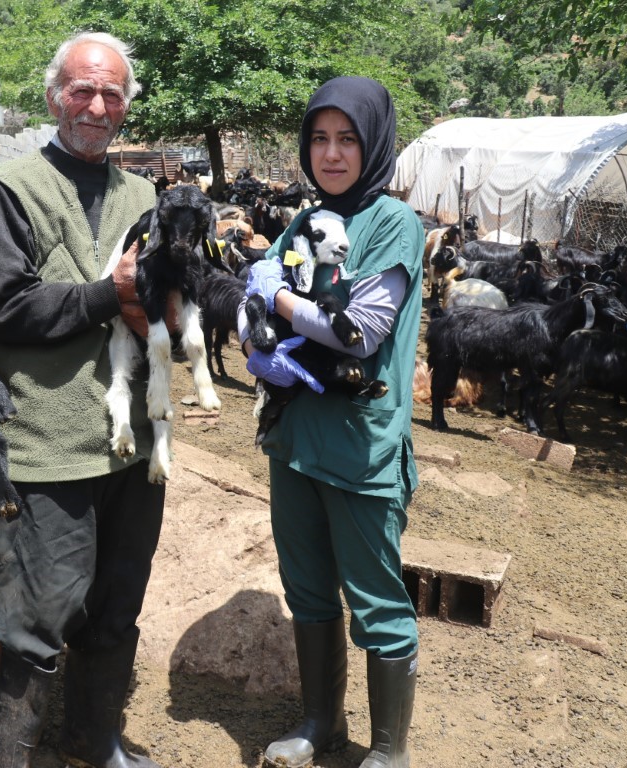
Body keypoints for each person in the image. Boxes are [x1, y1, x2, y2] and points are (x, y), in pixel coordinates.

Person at [0, 31, 166, 768]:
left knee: (117, 603)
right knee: (36, 609)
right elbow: (10, 305)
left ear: (125, 107)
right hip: (46, 439)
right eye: (82, 89)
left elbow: (161, 297)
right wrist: (107, 294)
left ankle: (96, 739)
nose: (96, 104)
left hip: (130, 438)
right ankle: (11, 754)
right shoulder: (12, 187)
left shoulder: (142, 195)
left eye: (112, 93)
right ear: (55, 95)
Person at [237, 76, 425, 768]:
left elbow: (358, 333)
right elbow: (252, 305)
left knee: (376, 599)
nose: (332, 153)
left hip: (359, 445)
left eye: (348, 139)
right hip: (294, 440)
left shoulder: (394, 224)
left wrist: (277, 302)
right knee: (307, 587)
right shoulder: (303, 219)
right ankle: (321, 724)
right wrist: (250, 327)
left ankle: (388, 749)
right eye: (320, 138)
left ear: (373, 143)